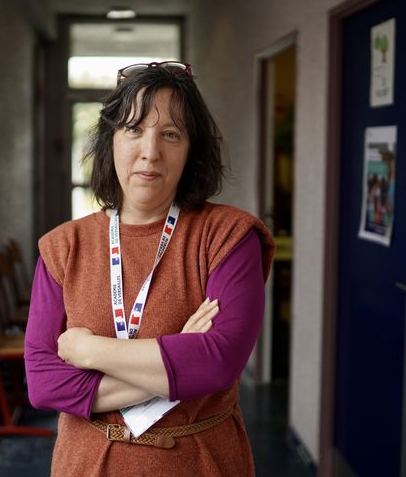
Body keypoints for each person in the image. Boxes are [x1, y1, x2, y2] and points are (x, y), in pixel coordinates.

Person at [24, 61, 275, 476]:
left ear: (192, 148)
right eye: (134, 129)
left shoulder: (229, 236)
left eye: (171, 134)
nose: (150, 151)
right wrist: (181, 355)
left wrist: (89, 351)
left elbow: (219, 363)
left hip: (201, 462)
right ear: (110, 141)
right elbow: (44, 384)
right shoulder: (63, 246)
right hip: (88, 463)